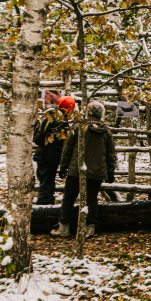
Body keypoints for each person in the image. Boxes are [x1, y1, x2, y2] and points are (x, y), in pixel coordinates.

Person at [51, 101, 116, 239]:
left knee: (68, 199)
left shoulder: (78, 127)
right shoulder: (106, 131)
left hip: (76, 170)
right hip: (96, 172)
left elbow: (67, 149)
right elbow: (110, 155)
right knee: (91, 199)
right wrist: (110, 172)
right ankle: (90, 228)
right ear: (101, 114)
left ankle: (64, 227)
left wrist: (63, 167)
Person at [33, 95, 76, 205]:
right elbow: (57, 143)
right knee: (46, 184)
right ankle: (43, 208)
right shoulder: (60, 122)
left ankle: (47, 204)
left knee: (47, 182)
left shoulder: (52, 116)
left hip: (43, 156)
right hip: (48, 158)